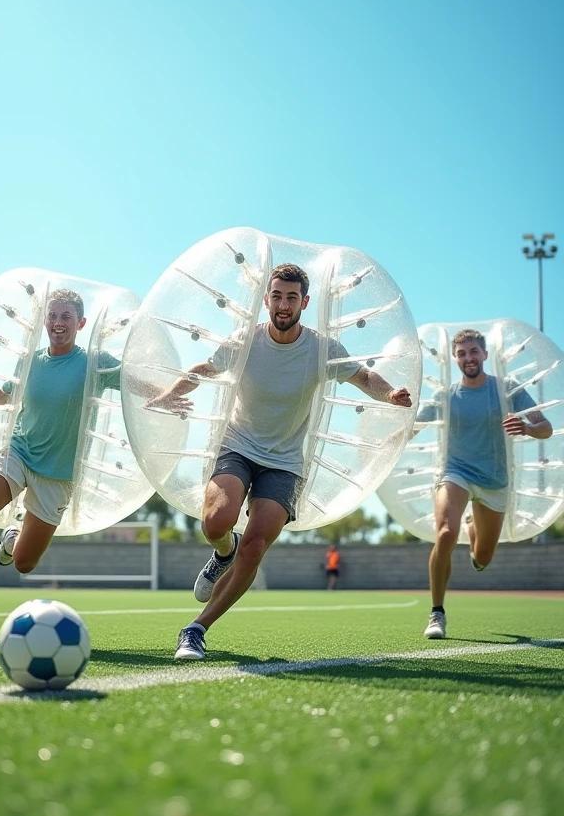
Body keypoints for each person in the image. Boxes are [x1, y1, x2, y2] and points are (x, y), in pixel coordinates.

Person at [148, 263, 413, 660]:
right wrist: (171, 392)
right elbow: (205, 367)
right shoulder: (246, 340)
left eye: (292, 298)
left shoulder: (323, 349)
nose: (283, 304)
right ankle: (223, 551)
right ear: (267, 299)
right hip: (238, 446)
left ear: (304, 302)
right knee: (216, 522)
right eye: (277, 296)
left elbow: (363, 377)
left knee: (255, 547)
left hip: (285, 462)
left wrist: (390, 395)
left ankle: (196, 628)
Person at [0, 289, 121, 634]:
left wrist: (167, 397)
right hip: (19, 450)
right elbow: (6, 393)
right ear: (45, 320)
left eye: (66, 317)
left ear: (81, 323)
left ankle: (14, 536)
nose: (58, 323)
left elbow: (132, 384)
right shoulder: (29, 361)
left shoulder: (95, 363)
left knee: (25, 563)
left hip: (58, 473)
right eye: (53, 316)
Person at [422, 328, 552, 640]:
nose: (468, 358)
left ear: (484, 354)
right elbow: (413, 425)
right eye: (462, 353)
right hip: (456, 472)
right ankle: (437, 613)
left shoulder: (506, 390)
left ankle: (473, 525)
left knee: (482, 558)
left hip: (494, 480)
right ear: (455, 358)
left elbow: (545, 428)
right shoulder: (447, 396)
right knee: (445, 532)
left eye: (473, 352)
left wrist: (526, 427)